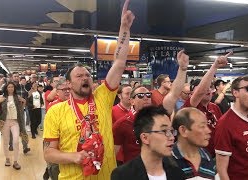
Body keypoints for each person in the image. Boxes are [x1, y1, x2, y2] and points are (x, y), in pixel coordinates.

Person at [43, 0, 135, 179]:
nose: (85, 78)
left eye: (87, 75)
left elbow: (119, 63)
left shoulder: (103, 96)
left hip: (107, 175)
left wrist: (124, 28)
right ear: (68, 84)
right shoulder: (56, 111)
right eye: (79, 76)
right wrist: (74, 157)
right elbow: (48, 153)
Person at [113, 50, 189, 163]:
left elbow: (173, 95)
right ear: (132, 101)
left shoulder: (157, 115)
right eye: (140, 95)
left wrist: (182, 70)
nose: (146, 97)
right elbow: (113, 153)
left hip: (159, 167)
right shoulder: (122, 124)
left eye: (148, 94)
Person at [111, 106, 185, 180]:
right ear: (145, 138)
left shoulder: (177, 174)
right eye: (164, 131)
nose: (172, 137)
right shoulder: (123, 175)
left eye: (171, 131)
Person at [182, 53, 231, 157]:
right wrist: (215, 66)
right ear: (191, 93)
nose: (208, 89)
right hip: (198, 156)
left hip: (216, 155)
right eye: (205, 87)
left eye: (210, 87)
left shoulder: (215, 108)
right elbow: (201, 91)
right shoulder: (190, 107)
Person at [170, 107, 216, 179]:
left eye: (207, 125)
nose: (208, 131)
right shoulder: (167, 160)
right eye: (202, 126)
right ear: (183, 130)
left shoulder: (207, 158)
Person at [43, 77, 70, 180]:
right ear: (57, 92)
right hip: (55, 144)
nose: (67, 91)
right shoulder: (53, 106)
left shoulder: (75, 104)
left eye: (68, 89)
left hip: (69, 145)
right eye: (64, 90)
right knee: (55, 170)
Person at [0, 82, 28, 170]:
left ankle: (15, 161)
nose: (11, 88)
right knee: (6, 142)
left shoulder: (17, 97)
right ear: (6, 88)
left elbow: (23, 105)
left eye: (12, 87)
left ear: (14, 88)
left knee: (16, 141)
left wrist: (23, 104)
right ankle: (7, 159)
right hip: (5, 122)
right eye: (9, 87)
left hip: (15, 122)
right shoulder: (2, 98)